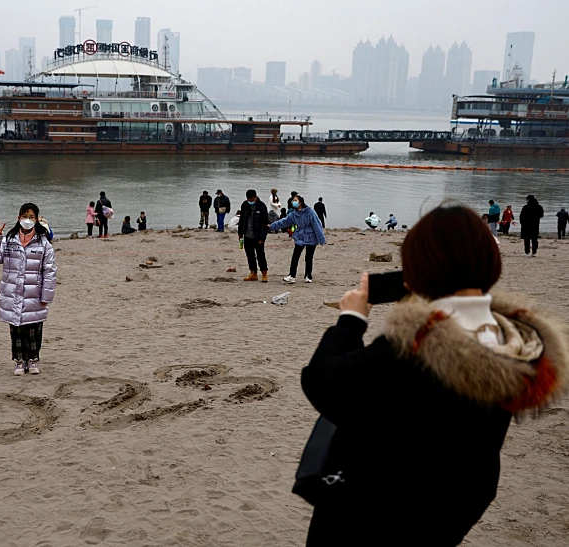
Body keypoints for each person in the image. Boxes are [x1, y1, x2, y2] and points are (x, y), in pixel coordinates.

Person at [299, 204, 569, 546]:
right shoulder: (515, 344)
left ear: (419, 268)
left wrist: (351, 320)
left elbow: (323, 383)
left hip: (371, 517)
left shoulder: (418, 345)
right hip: (450, 514)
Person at [0, 203, 57, 376]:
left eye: (31, 217)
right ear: (18, 218)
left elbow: (50, 271)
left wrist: (46, 295)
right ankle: (19, 361)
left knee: (34, 330)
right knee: (16, 330)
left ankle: (32, 360)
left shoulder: (43, 243)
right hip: (13, 293)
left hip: (34, 293)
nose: (28, 220)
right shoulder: (9, 240)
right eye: (25, 216)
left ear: (37, 220)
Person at [270, 195, 326, 284]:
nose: (293, 202)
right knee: (295, 256)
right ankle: (292, 276)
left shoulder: (310, 212)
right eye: (293, 201)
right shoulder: (294, 214)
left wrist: (321, 239)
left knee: (309, 257)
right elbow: (284, 222)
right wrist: (272, 226)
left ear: (300, 202)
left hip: (311, 237)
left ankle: (308, 276)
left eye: (295, 200)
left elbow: (317, 225)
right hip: (300, 236)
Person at [238, 189, 269, 282]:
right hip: (247, 235)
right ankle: (253, 273)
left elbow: (264, 224)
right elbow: (242, 219)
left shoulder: (261, 206)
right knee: (250, 255)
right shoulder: (245, 205)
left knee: (260, 255)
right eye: (248, 199)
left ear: (255, 197)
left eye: (251, 200)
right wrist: (240, 233)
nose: (250, 201)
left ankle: (264, 274)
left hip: (258, 236)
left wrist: (262, 238)